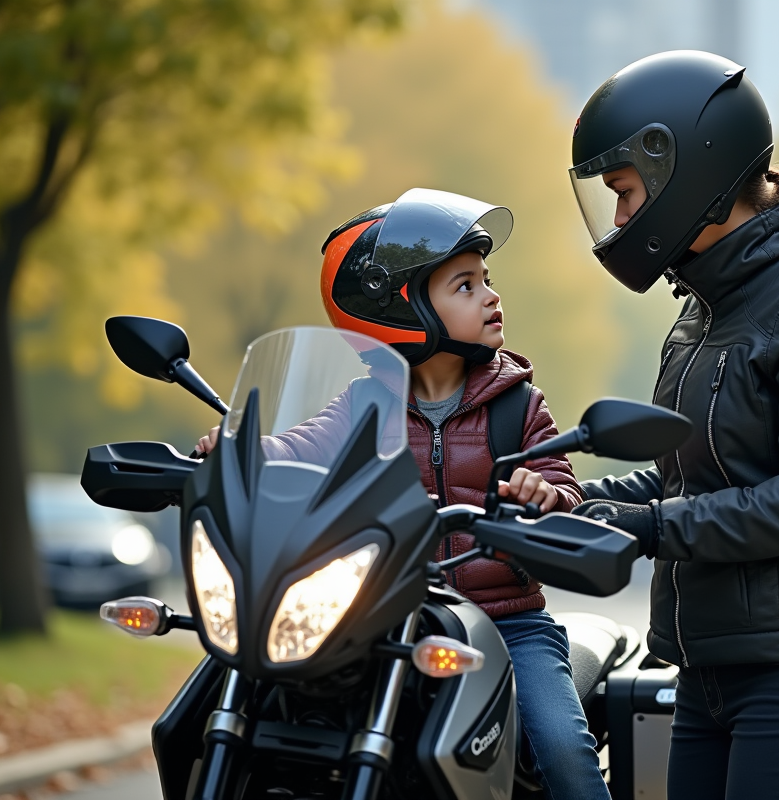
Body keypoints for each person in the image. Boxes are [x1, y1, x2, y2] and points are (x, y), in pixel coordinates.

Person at [567, 51, 779, 799]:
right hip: (707, 667)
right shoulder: (702, 309)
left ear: (687, 171)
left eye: (625, 193)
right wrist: (572, 498)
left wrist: (649, 529)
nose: (619, 219)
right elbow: (686, 472)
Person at [198, 188, 610, 800]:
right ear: (403, 308)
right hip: (389, 621)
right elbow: (301, 446)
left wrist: (545, 494)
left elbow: (561, 484)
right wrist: (241, 451)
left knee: (561, 748)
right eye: (465, 286)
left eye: (487, 280)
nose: (491, 296)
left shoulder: (519, 404)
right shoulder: (366, 405)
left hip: (509, 623)